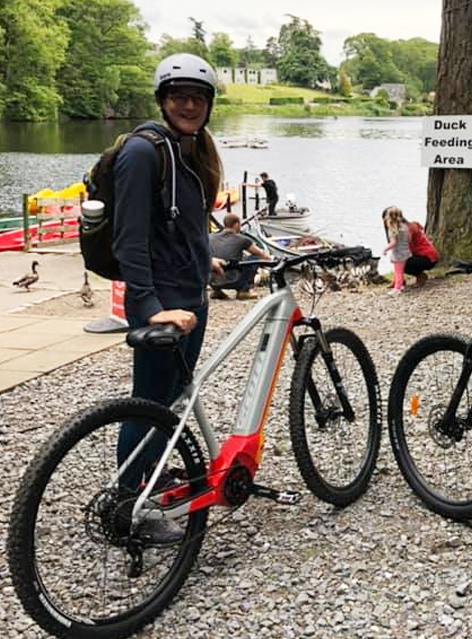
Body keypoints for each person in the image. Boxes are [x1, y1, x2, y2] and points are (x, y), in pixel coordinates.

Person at [113, 53, 224, 543]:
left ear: (209, 104)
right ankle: (126, 508)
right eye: (179, 96)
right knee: (149, 405)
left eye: (197, 97)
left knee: (171, 402)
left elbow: (178, 225)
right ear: (162, 100)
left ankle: (152, 484)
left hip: (189, 299)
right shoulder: (144, 153)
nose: (188, 105)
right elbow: (129, 241)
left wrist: (205, 261)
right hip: (162, 305)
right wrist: (152, 309)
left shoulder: (189, 151)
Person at [209, 212, 271, 300]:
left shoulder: (211, 238)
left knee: (213, 259)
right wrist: (272, 261)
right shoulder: (242, 239)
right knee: (255, 258)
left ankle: (216, 291)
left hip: (213, 281)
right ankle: (244, 290)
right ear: (236, 224)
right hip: (234, 280)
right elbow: (261, 255)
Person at [382, 205, 411, 295]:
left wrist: (385, 249)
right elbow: (409, 238)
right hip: (406, 251)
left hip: (398, 253)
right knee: (400, 271)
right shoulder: (405, 227)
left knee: (398, 272)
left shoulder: (392, 229)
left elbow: (393, 243)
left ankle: (397, 289)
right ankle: (399, 284)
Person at [406, 220, 439, 287]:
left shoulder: (409, 229)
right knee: (400, 260)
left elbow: (406, 244)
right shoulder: (408, 227)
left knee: (403, 262)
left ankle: (420, 276)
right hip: (425, 256)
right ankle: (419, 275)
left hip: (428, 257)